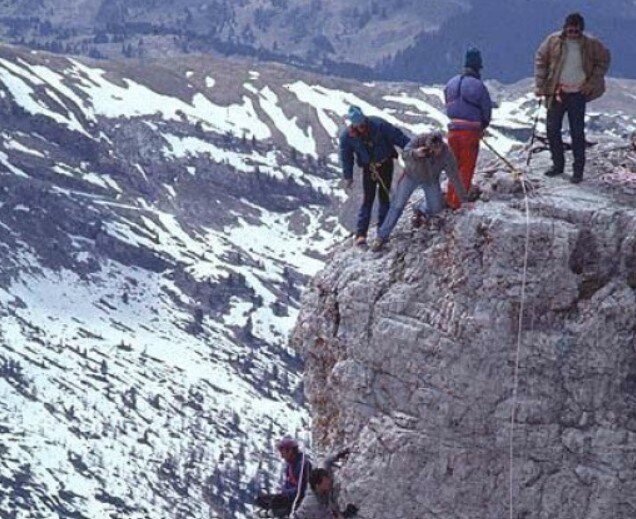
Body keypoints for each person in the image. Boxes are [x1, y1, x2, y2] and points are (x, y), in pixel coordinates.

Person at [535, 12, 611, 183]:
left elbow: (604, 60)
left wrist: (591, 83)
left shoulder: (591, 44)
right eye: (570, 31)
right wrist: (540, 85)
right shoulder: (553, 41)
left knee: (577, 132)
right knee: (552, 129)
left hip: (578, 93)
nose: (573, 34)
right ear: (565, 29)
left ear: (581, 30)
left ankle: (578, 171)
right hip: (557, 92)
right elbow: (541, 59)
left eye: (576, 31)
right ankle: (558, 165)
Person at [371, 132, 469, 252]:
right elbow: (404, 154)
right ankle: (381, 237)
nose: (434, 153)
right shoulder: (418, 140)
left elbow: (454, 177)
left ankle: (421, 208)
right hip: (410, 176)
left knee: (436, 208)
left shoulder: (446, 154)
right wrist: (415, 153)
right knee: (397, 205)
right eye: (431, 150)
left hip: (431, 179)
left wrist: (464, 200)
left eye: (437, 150)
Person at [339, 106, 410, 246]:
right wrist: (348, 176)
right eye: (357, 125)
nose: (360, 127)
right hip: (369, 169)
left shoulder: (378, 124)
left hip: (385, 164)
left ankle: (382, 231)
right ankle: (361, 234)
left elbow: (398, 137)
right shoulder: (347, 136)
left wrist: (411, 148)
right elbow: (346, 157)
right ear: (353, 124)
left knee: (384, 196)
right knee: (368, 199)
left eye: (362, 124)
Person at [444, 46, 492, 210]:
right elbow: (486, 110)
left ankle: (450, 198)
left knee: (453, 166)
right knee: (466, 166)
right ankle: (459, 202)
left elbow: (447, 105)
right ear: (478, 67)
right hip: (470, 132)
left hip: (452, 131)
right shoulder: (478, 85)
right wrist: (483, 126)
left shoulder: (451, 83)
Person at [292, 449, 358, 519]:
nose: (329, 482)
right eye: (326, 482)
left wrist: (339, 455)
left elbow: (326, 461)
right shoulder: (313, 503)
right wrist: (342, 515)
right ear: (318, 486)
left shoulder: (322, 476)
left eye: (328, 478)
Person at [256, 437, 312, 517]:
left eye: (283, 452)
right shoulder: (290, 465)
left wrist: (285, 496)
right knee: (261, 500)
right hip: (289, 497)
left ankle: (273, 513)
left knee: (277, 504)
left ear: (290, 451)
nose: (282, 456)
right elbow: (287, 484)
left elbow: (302, 490)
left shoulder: (303, 465)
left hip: (298, 501)